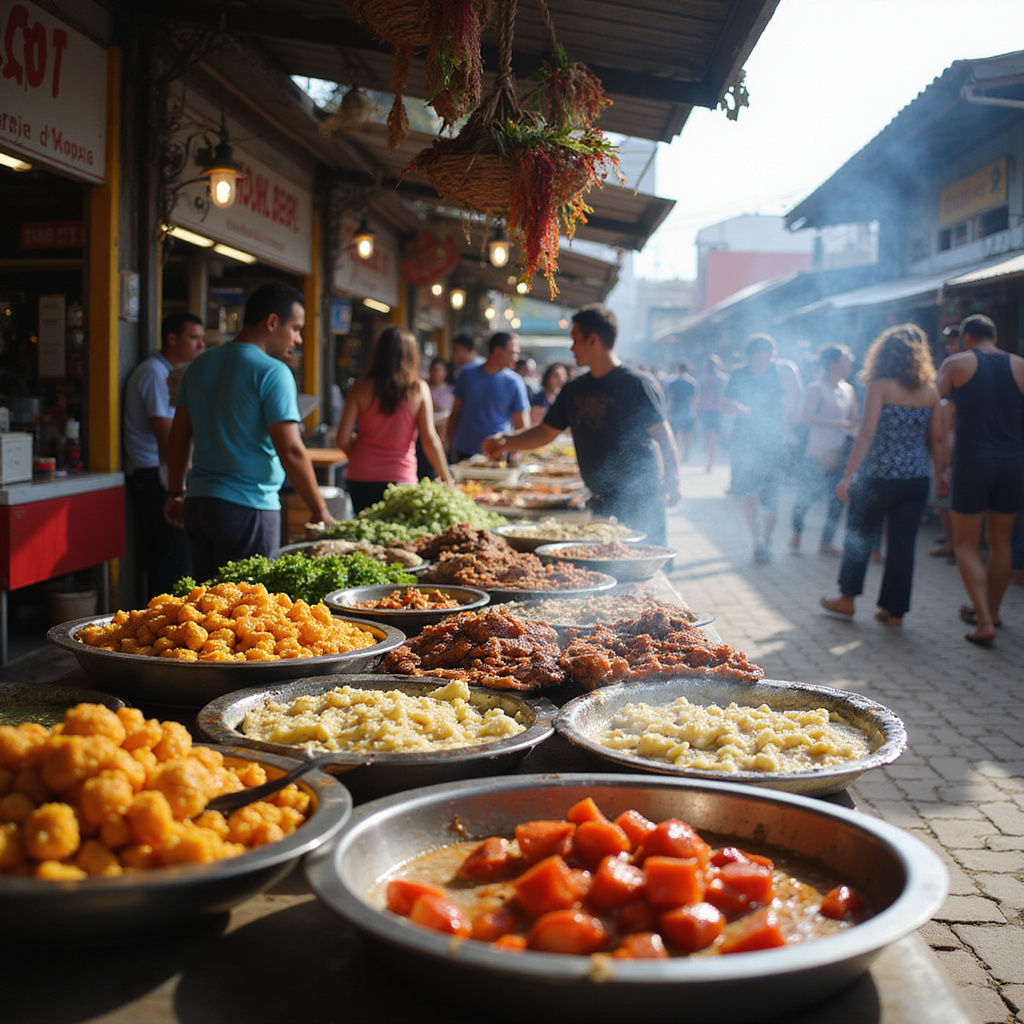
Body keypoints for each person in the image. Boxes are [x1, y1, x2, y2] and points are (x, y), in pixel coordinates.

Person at [164, 282, 333, 583]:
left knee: (207, 612)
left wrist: (175, 492)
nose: (298, 338)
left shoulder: (199, 365)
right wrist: (319, 508)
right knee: (248, 612)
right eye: (295, 328)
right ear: (272, 322)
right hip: (248, 508)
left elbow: (178, 436)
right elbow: (292, 450)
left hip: (200, 505)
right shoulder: (273, 372)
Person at [481, 304, 682, 546]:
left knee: (646, 569)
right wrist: (505, 442)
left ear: (593, 340)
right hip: (599, 499)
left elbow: (663, 435)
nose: (572, 347)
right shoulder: (574, 389)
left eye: (575, 340)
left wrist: (673, 478)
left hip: (641, 498)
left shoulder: (636, 384)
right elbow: (546, 432)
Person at [821, 323, 945, 627]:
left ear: (885, 352)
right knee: (902, 544)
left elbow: (866, 434)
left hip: (879, 476)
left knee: (859, 536)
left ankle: (847, 599)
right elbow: (937, 438)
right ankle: (894, 612)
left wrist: (848, 474)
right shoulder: (931, 389)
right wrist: (942, 473)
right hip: (916, 478)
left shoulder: (880, 385)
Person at [936, 313, 1024, 646]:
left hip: (973, 462)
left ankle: (984, 620)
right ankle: (994, 611)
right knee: (1001, 542)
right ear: (996, 336)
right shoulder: (1019, 365)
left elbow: (933, 402)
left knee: (966, 545)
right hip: (1012, 461)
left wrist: (941, 463)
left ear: (967, 338)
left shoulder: (956, 363)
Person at [123, 312, 206, 597]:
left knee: (174, 554)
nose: (201, 346)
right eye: (194, 338)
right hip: (151, 476)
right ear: (172, 339)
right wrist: (181, 487)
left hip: (164, 475)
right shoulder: (155, 374)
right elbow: (170, 439)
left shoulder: (174, 373)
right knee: (170, 555)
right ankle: (162, 623)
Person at [336, 327, 454, 514]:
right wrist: (447, 479)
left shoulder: (360, 386)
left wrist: (365, 459)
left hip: (360, 476)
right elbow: (429, 440)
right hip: (400, 477)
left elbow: (342, 438)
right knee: (396, 540)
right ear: (412, 355)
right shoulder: (418, 389)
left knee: (364, 537)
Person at [723, 334, 792, 564]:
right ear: (749, 356)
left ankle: (766, 537)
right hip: (746, 442)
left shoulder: (780, 373)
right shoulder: (738, 374)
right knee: (749, 493)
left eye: (765, 358)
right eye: (756, 359)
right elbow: (725, 402)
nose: (760, 363)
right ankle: (758, 542)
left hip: (773, 443)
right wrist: (737, 407)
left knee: (772, 499)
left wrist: (788, 436)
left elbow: (793, 402)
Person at [789, 344, 858, 556]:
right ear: (833, 364)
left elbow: (855, 417)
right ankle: (797, 533)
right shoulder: (817, 389)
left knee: (837, 500)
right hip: (816, 454)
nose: (850, 365)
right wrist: (836, 423)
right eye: (846, 361)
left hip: (839, 454)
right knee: (806, 497)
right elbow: (805, 417)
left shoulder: (848, 389)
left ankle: (826, 542)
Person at [446, 331, 530, 462]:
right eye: (513, 353)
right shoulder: (467, 375)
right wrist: (448, 444)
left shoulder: (515, 382)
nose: (516, 357)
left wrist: (518, 451)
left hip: (498, 452)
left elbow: (521, 422)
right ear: (497, 350)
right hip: (465, 451)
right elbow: (455, 412)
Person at [929, 324, 963, 560]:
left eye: (953, 342)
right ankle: (953, 539)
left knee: (947, 499)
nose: (949, 347)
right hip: (957, 446)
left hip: (954, 447)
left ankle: (955, 543)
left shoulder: (956, 368)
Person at [696, 353, 728, 472]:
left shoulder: (718, 379)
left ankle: (711, 460)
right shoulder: (719, 379)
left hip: (714, 410)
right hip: (712, 410)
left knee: (712, 436)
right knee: (711, 436)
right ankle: (711, 459)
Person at [665, 360, 698, 461]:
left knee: (677, 433)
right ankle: (686, 454)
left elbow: (669, 397)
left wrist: (668, 410)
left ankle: (677, 453)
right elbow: (694, 398)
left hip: (676, 409)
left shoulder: (673, 381)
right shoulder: (692, 381)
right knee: (687, 433)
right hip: (688, 409)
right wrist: (694, 410)